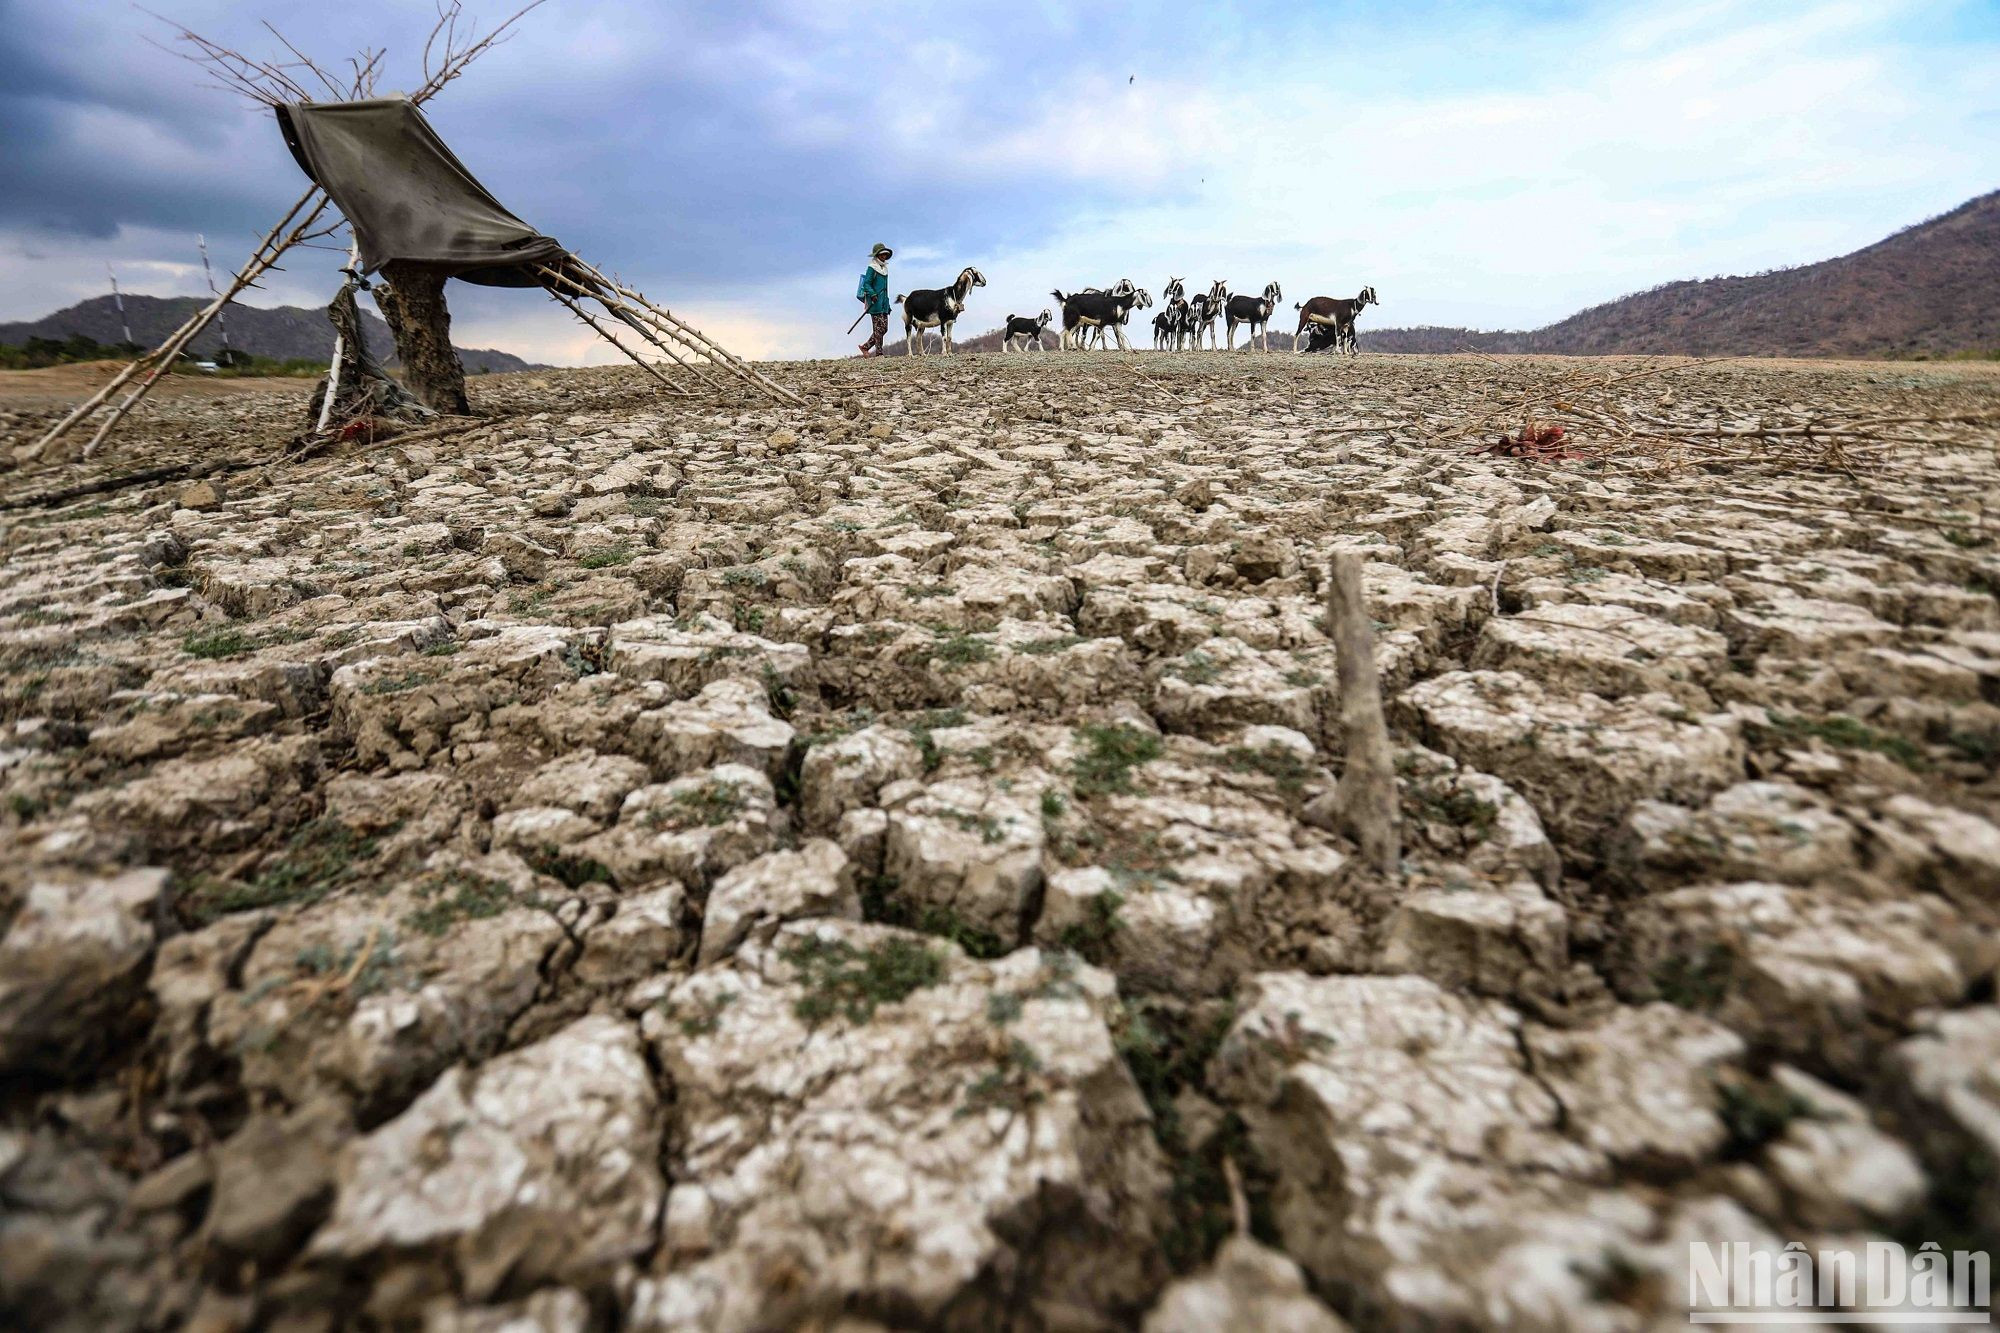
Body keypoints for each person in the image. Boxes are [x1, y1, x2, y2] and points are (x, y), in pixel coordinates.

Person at [856, 243, 892, 357]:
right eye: (882, 255)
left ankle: (865, 347)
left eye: (885, 255)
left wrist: (888, 304)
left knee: (884, 328)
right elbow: (867, 284)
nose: (884, 256)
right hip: (875, 302)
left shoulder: (884, 269)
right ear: (877, 255)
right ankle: (879, 353)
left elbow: (885, 289)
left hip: (883, 303)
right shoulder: (872, 268)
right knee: (878, 328)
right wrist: (872, 294)